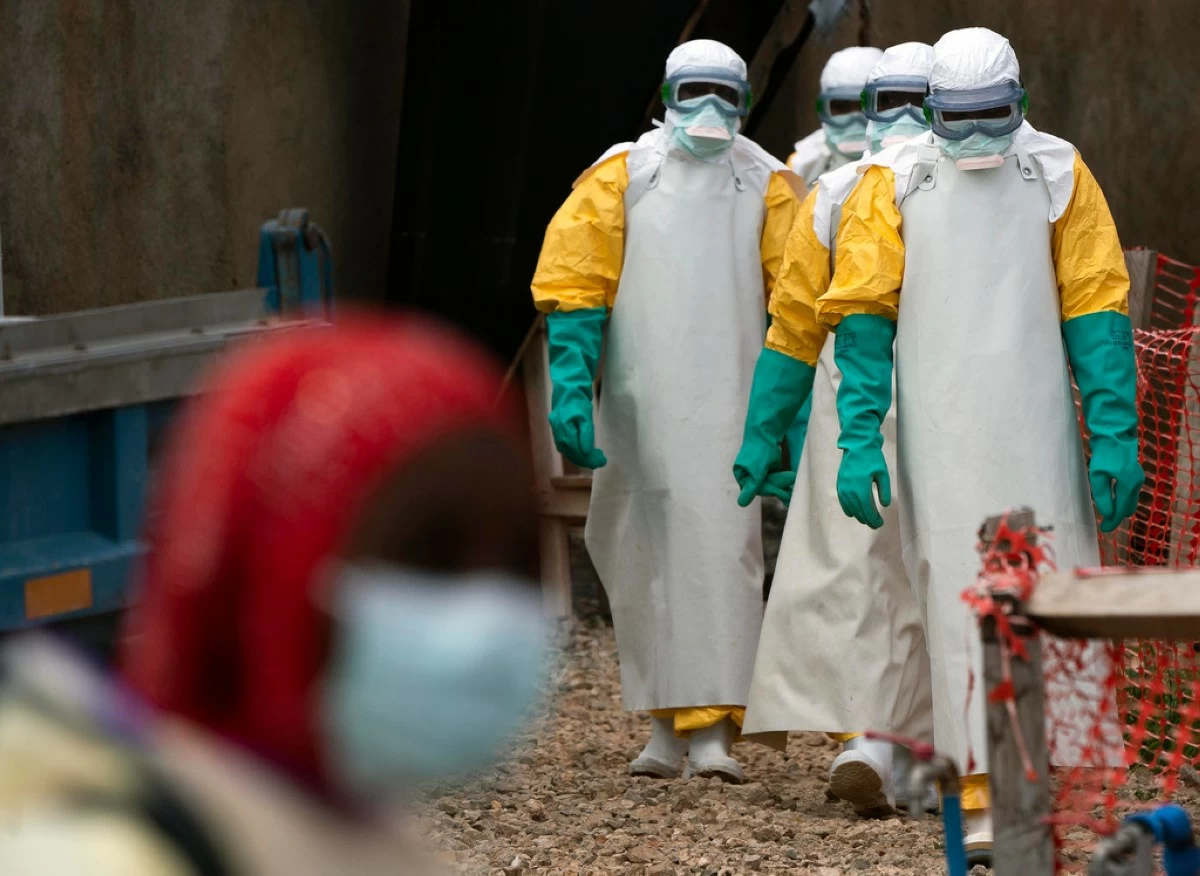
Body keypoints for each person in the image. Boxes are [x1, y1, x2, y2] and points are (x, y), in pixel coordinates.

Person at [756, 26, 1142, 858]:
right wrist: (860, 436)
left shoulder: (1060, 174)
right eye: (955, 119)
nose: (972, 137)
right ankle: (977, 785)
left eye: (990, 117)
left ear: (1022, 105)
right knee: (956, 589)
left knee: (1050, 588)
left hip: (1035, 425)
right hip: (937, 427)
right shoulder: (889, 183)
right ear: (931, 110)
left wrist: (1114, 432)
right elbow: (862, 311)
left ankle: (1044, 779)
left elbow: (1097, 307)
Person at [0, 316, 549, 875]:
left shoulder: (344, 836)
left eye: (519, 561)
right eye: (430, 557)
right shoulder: (98, 858)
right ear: (273, 574)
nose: (486, 617)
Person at [531, 38, 804, 783]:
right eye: (696, 92)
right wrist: (572, 385)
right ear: (668, 96)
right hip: (640, 403)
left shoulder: (769, 185)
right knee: (638, 549)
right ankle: (660, 723)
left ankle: (713, 727)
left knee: (724, 556)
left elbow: (796, 301)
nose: (710, 111)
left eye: (726, 94)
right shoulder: (622, 176)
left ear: (744, 103)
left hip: (732, 400)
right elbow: (576, 282)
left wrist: (787, 418)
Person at [737, 42, 937, 819]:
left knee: (897, 576)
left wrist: (766, 429)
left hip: (895, 414)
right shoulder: (838, 193)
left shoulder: (850, 188)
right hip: (876, 412)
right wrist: (766, 431)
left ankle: (910, 743)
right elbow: (792, 323)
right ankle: (883, 739)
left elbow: (789, 329)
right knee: (873, 579)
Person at [787, 46, 883, 189]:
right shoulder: (801, 166)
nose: (854, 118)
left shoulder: (914, 163)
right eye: (841, 107)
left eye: (866, 106)